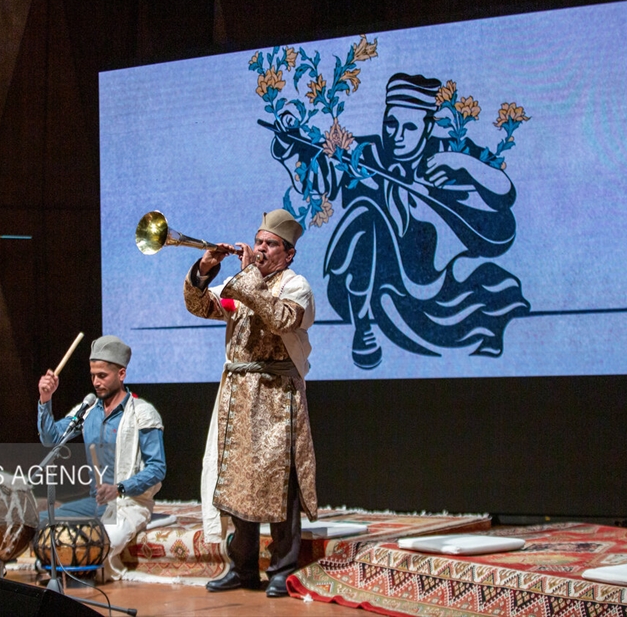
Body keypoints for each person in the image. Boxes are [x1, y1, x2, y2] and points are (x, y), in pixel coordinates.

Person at [271, 73, 528, 366]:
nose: (398, 136)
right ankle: (364, 327)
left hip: (434, 274)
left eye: (409, 127)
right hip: (377, 281)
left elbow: (504, 191)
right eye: (391, 124)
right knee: (367, 214)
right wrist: (290, 146)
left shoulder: (449, 150)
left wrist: (460, 163)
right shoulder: (367, 155)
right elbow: (317, 179)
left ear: (428, 127)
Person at [184, 209, 318, 598]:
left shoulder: (297, 287)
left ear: (288, 253)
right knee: (238, 481)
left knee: (281, 484)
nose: (260, 249)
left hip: (277, 397)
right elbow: (203, 306)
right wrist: (205, 269)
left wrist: (247, 277)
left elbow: (279, 319)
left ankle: (282, 567)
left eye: (270, 244)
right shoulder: (242, 284)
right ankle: (241, 568)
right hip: (240, 396)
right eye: (258, 242)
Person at [37, 335, 166, 579]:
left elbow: (157, 468)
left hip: (129, 505)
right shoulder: (86, 411)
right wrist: (46, 399)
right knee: (42, 522)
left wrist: (119, 488)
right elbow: (51, 439)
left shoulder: (143, 413)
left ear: (121, 374)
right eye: (93, 375)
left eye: (102, 376)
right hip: (94, 503)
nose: (96, 382)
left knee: (96, 541)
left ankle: (75, 574)